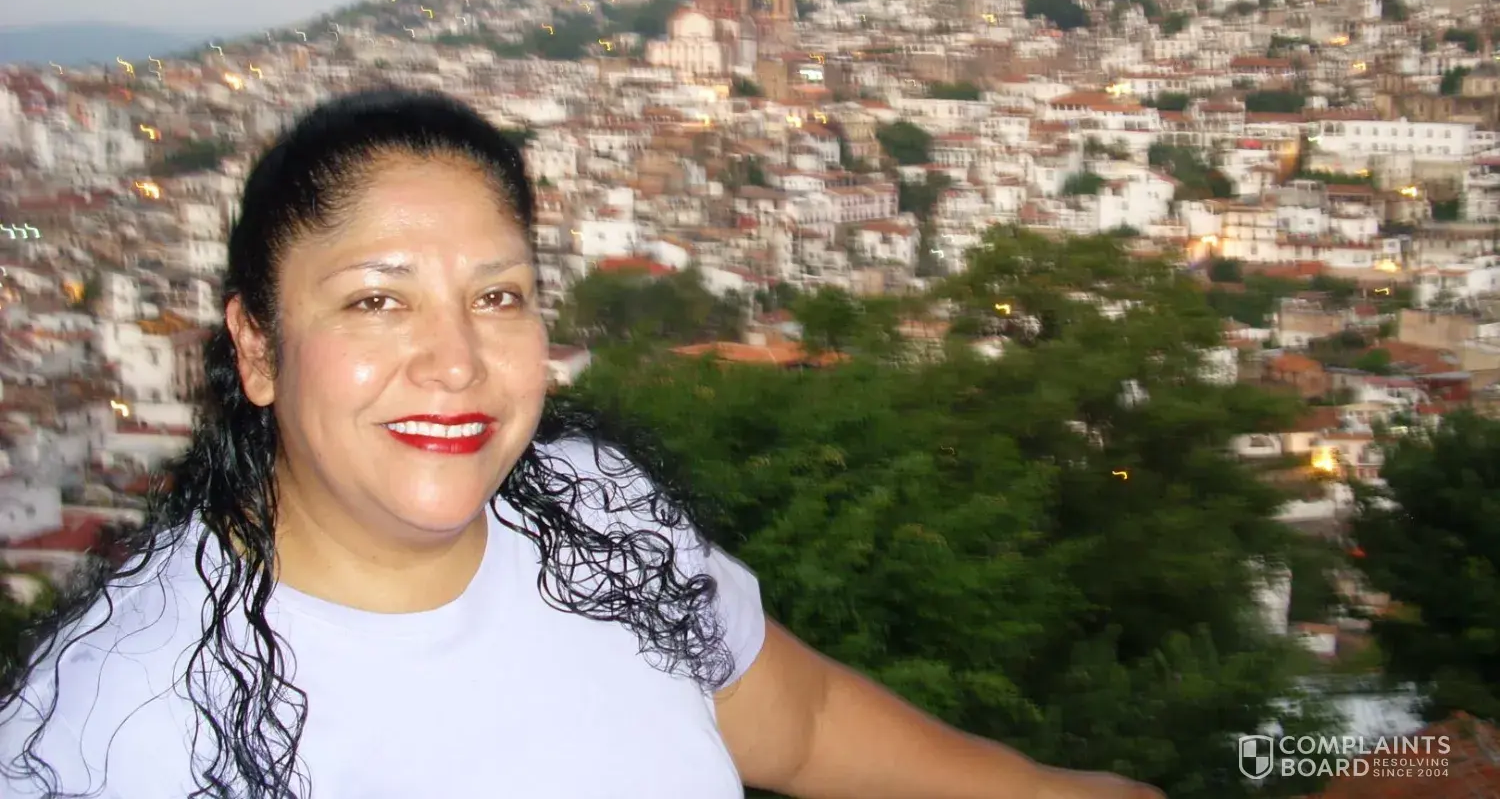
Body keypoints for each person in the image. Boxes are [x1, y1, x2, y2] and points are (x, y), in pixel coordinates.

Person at [0, 90, 1163, 798]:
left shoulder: (588, 507)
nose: (455, 360)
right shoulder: (121, 730)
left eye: (497, 297)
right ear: (257, 349)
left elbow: (800, 724)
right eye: (376, 300)